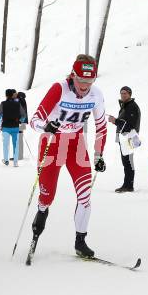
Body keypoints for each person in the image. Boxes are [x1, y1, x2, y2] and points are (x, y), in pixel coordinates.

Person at [28, 54, 107, 259]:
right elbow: (35, 119)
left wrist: (99, 155)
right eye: (81, 80)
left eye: (89, 81)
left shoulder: (96, 95)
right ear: (73, 76)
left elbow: (101, 126)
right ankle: (41, 216)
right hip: (52, 144)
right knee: (47, 196)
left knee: (85, 195)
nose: (84, 85)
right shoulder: (59, 89)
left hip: (76, 145)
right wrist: (45, 126)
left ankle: (80, 242)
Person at [107, 86, 141, 193]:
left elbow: (129, 125)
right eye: (121, 93)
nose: (123, 95)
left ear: (130, 94)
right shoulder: (125, 106)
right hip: (125, 137)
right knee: (126, 162)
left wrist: (115, 121)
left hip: (129, 136)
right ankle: (127, 184)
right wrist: (116, 121)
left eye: (125, 93)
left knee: (128, 162)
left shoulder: (131, 106)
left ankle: (128, 185)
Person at [0, 89, 26, 167]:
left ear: (6, 95)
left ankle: (6, 160)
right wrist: (20, 121)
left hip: (5, 128)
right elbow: (23, 115)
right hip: (15, 127)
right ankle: (15, 162)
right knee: (15, 145)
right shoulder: (17, 104)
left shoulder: (3, 104)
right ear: (12, 95)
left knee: (5, 145)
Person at [16, 91, 28, 160]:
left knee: (19, 139)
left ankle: (19, 155)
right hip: (22, 122)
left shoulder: (20, 101)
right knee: (19, 138)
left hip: (20, 122)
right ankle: (19, 155)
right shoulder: (23, 100)